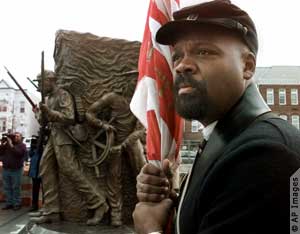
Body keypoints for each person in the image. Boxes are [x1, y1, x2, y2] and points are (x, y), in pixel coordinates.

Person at [132, 1, 300, 234]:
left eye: (204, 51)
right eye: (177, 56)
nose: (182, 66)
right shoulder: (227, 137)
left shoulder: (265, 154)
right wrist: (175, 198)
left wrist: (150, 228)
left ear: (248, 66)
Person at [31, 70, 108, 225]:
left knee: (70, 169)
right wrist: (40, 113)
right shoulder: (48, 98)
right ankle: (52, 211)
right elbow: (44, 122)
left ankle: (99, 204)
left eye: (41, 82)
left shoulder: (63, 95)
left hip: (65, 137)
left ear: (50, 80)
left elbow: (69, 117)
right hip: (54, 137)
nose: (39, 86)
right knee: (45, 169)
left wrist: (50, 112)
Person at [86, 89, 146, 226]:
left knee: (143, 173)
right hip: (112, 143)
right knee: (113, 178)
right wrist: (102, 125)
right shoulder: (111, 98)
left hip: (132, 142)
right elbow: (89, 113)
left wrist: (124, 145)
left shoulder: (140, 99)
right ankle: (115, 215)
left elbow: (141, 129)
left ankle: (147, 209)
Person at [0, 132, 27, 211]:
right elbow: (0, 152)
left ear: (21, 138)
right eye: (15, 136)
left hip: (16, 170)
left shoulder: (22, 146)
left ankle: (17, 204)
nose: (16, 137)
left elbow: (18, 153)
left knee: (16, 187)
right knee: (7, 187)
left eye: (18, 136)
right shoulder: (7, 145)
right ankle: (9, 203)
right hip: (6, 169)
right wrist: (2, 144)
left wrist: (11, 145)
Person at [27, 135, 42, 211]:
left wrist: (40, 146)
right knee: (35, 190)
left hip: (43, 172)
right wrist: (32, 147)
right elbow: (30, 154)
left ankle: (45, 206)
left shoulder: (43, 148)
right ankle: (34, 205)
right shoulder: (34, 149)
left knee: (46, 191)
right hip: (35, 172)